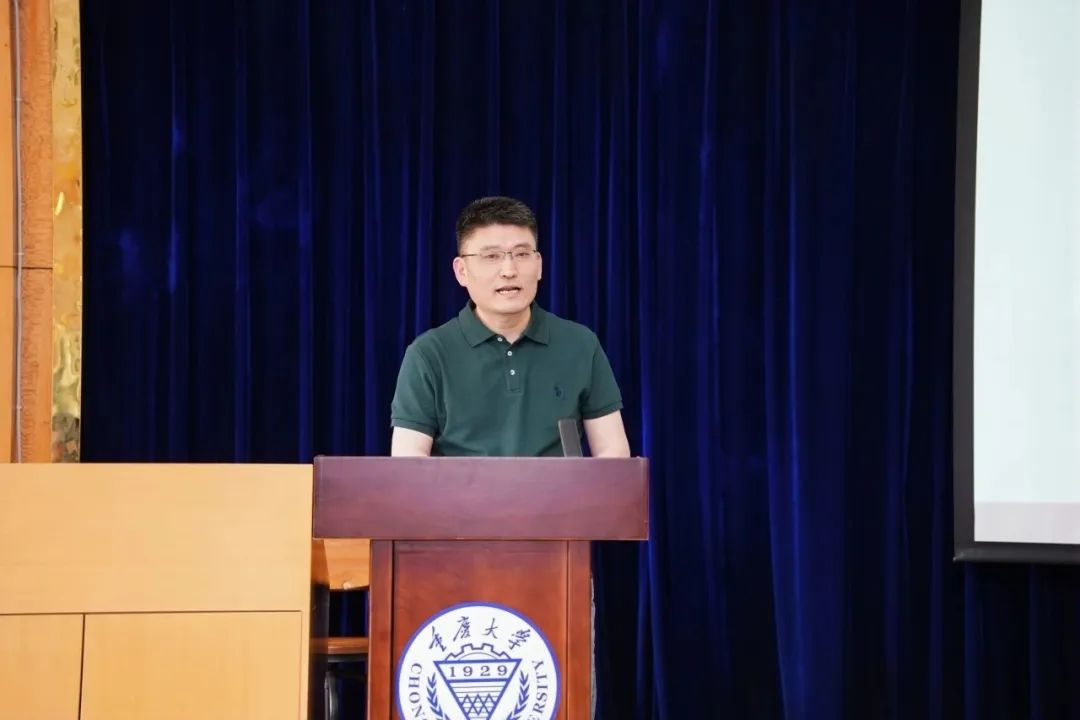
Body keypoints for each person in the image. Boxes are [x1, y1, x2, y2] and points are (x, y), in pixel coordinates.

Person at [390, 195, 630, 458]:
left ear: (539, 265)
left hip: (558, 488)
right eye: (491, 256)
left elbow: (613, 452)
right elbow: (408, 462)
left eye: (522, 254)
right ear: (461, 271)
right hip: (462, 487)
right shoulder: (428, 354)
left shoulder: (580, 344)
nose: (509, 270)